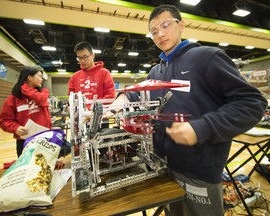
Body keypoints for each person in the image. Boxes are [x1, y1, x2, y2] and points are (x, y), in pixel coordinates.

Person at [105, 4, 267, 216]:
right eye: (154, 31)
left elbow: (253, 102)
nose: (160, 34)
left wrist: (201, 128)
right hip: (163, 165)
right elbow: (139, 94)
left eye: (165, 25)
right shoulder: (156, 70)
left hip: (198, 170)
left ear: (181, 25)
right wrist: (122, 98)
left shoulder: (207, 57)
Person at [0, 66, 52, 157]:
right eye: (39, 76)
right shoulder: (13, 99)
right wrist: (16, 128)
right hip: (25, 142)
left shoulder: (43, 95)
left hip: (44, 140)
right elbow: (4, 120)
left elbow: (42, 103)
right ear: (29, 77)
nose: (42, 79)